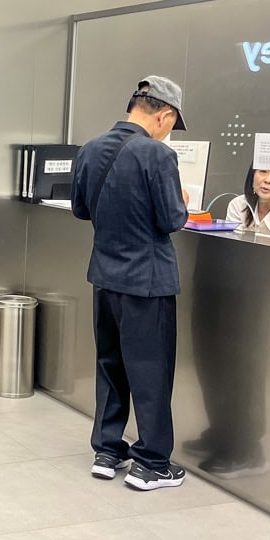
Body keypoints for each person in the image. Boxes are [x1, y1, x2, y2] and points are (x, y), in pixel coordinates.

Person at [71, 76, 190, 491]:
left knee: (110, 364)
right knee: (151, 371)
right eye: (171, 124)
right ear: (165, 114)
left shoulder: (89, 149)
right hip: (148, 282)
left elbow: (80, 210)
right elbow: (173, 219)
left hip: (104, 278)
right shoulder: (157, 155)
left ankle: (107, 450)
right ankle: (153, 462)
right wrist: (183, 202)